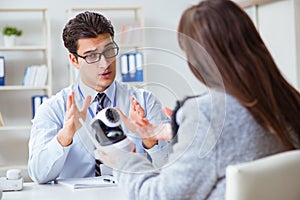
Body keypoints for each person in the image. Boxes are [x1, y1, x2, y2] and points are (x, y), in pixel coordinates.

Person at [94, 0, 300, 199]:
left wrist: (122, 159)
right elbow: (239, 136)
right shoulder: (287, 100)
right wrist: (175, 128)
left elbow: (158, 195)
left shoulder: (207, 114)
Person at [28, 11, 170, 184]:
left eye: (109, 51)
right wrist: (64, 136)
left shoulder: (144, 102)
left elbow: (171, 170)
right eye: (92, 56)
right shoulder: (54, 109)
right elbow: (38, 174)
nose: (104, 63)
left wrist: (150, 140)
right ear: (74, 60)